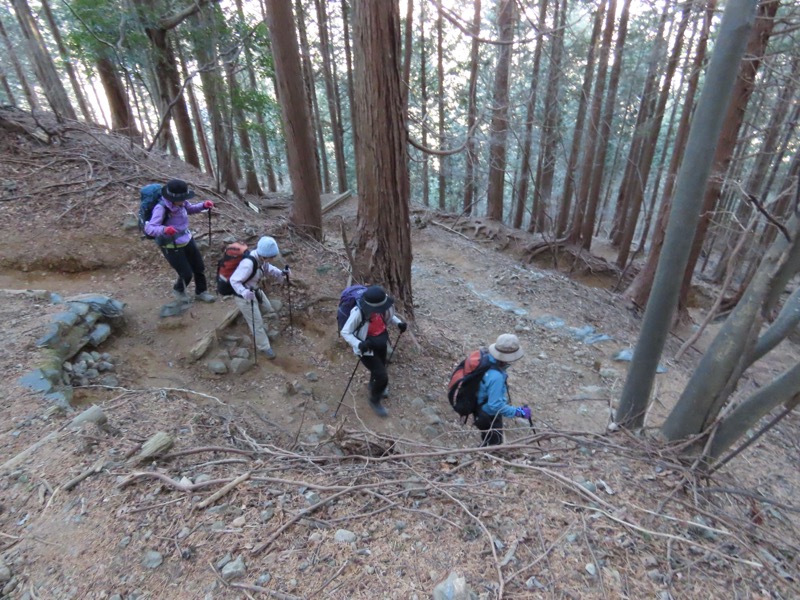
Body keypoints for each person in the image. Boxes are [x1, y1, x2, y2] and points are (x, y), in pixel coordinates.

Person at [145, 179, 216, 303]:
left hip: (187, 239)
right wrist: (164, 229)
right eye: (182, 199)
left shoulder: (182, 203)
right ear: (172, 198)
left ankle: (201, 292)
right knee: (186, 273)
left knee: (199, 267)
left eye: (185, 198)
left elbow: (191, 209)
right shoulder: (161, 208)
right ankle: (179, 290)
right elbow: (150, 228)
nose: (184, 200)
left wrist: (203, 205)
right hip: (171, 245)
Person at [340, 285, 407, 417]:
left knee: (380, 366)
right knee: (382, 375)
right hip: (366, 348)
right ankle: (374, 400)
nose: (381, 309)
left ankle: (373, 384)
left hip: (381, 341)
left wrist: (399, 323)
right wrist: (359, 344)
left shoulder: (381, 303)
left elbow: (389, 314)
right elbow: (345, 332)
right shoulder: (358, 312)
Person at [230, 236, 288, 360]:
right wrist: (244, 292)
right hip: (244, 296)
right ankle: (264, 347)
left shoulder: (262, 260)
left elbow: (269, 269)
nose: (273, 259)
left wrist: (281, 273)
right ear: (265, 255)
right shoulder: (248, 264)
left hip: (256, 290)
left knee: (268, 309)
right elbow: (234, 280)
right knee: (257, 323)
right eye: (272, 257)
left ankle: (259, 326)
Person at [474, 333, 531, 446]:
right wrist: (519, 412)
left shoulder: (487, 359)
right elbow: (495, 406)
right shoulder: (496, 377)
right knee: (494, 444)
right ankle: (486, 455)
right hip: (488, 414)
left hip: (479, 408)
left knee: (488, 439)